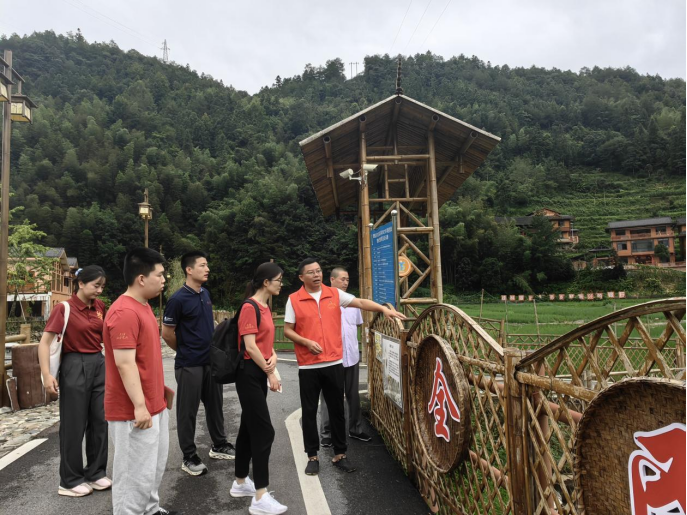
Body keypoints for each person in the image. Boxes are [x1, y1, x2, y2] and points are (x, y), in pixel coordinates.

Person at [284, 258, 405, 476]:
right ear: (301, 277)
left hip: (333, 363)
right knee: (309, 412)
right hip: (308, 365)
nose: (316, 275)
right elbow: (288, 330)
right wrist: (306, 342)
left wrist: (383, 309)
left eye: (318, 271)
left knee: (337, 410)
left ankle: (340, 454)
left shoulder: (334, 294)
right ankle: (312, 456)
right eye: (311, 272)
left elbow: (361, 303)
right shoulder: (293, 299)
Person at [103, 248, 177, 515]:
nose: (164, 279)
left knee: (151, 468)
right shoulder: (124, 312)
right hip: (132, 410)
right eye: (160, 274)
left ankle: (151, 509)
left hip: (152, 404)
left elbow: (145, 360)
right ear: (142, 278)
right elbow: (124, 363)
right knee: (133, 475)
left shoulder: (143, 306)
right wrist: (139, 405)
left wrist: (158, 392)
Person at [38, 265, 110, 498]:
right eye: (96, 285)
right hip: (74, 364)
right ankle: (69, 480)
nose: (99, 290)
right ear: (80, 283)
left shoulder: (100, 307)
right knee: (73, 424)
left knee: (100, 420)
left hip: (98, 363)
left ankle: (96, 472)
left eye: (102, 286)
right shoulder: (64, 308)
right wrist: (47, 375)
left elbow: (105, 337)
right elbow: (44, 343)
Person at [161, 251, 235, 477]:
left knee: (215, 405)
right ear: (189, 269)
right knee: (188, 411)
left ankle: (219, 444)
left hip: (210, 362)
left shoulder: (205, 293)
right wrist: (184, 350)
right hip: (189, 364)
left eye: (207, 265)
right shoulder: (177, 299)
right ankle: (189, 456)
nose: (207, 269)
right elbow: (167, 333)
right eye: (202, 265)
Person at [231, 262, 287, 515]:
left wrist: (273, 355)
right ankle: (260, 496)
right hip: (249, 375)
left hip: (258, 370)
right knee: (264, 432)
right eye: (278, 280)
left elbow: (264, 342)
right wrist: (270, 372)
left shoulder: (265, 307)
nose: (281, 284)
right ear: (266, 282)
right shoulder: (249, 307)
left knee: (248, 428)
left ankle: (240, 482)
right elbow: (250, 346)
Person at [318, 267, 370, 448]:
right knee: (329, 395)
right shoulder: (322, 300)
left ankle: (355, 429)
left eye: (347, 279)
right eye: (342, 279)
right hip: (332, 358)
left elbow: (356, 326)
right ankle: (326, 433)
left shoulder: (353, 301)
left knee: (353, 395)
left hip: (352, 356)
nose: (345, 282)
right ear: (332, 280)